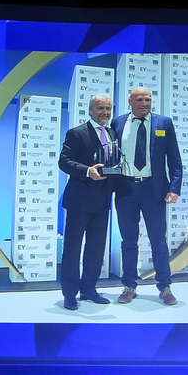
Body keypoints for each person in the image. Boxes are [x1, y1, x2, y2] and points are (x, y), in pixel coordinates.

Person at [113, 86, 183, 306]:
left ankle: (165, 287)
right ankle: (129, 286)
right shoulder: (117, 123)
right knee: (128, 241)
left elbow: (175, 160)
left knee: (158, 241)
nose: (144, 103)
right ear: (130, 101)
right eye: (139, 100)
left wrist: (174, 188)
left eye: (147, 100)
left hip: (154, 190)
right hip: (126, 189)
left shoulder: (164, 123)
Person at [57, 94, 119, 311]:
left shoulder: (112, 133)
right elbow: (64, 161)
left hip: (103, 200)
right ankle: (70, 294)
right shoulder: (76, 133)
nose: (105, 112)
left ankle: (89, 289)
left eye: (108, 108)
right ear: (91, 110)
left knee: (96, 248)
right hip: (79, 200)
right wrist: (87, 171)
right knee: (72, 249)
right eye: (100, 108)